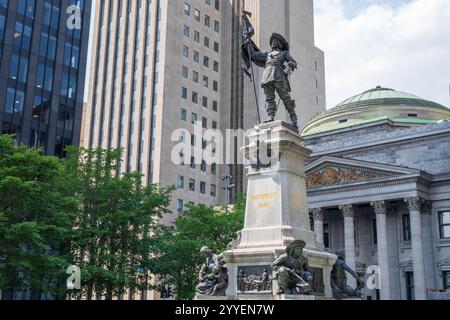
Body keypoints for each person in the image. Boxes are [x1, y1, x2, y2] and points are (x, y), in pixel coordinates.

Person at [244, 33, 299, 129]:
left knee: (285, 97)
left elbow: (294, 62)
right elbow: (254, 55)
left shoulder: (284, 53)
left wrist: (290, 65)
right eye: (273, 41)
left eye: (276, 41)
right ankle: (270, 116)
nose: (273, 42)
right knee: (269, 99)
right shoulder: (267, 55)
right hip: (267, 77)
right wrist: (248, 42)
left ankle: (293, 116)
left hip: (279, 76)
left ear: (280, 45)